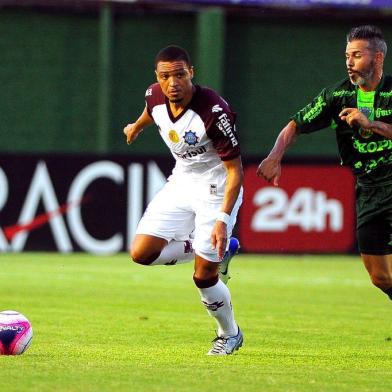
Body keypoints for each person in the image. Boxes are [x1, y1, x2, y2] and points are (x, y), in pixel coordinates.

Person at [123, 45, 243, 355]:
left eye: (179, 75)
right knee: (142, 252)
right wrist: (136, 126)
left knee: (204, 277)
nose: (172, 83)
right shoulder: (154, 95)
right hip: (183, 179)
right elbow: (152, 112)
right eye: (165, 76)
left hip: (217, 185)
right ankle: (213, 249)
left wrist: (222, 220)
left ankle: (229, 334)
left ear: (191, 73)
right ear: (157, 78)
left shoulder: (212, 112)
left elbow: (235, 172)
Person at [257, 25, 392, 301]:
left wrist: (372, 124)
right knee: (380, 276)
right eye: (346, 56)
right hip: (369, 190)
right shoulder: (336, 96)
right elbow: (295, 124)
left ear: (378, 58)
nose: (349, 63)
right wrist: (275, 155)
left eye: (356, 56)